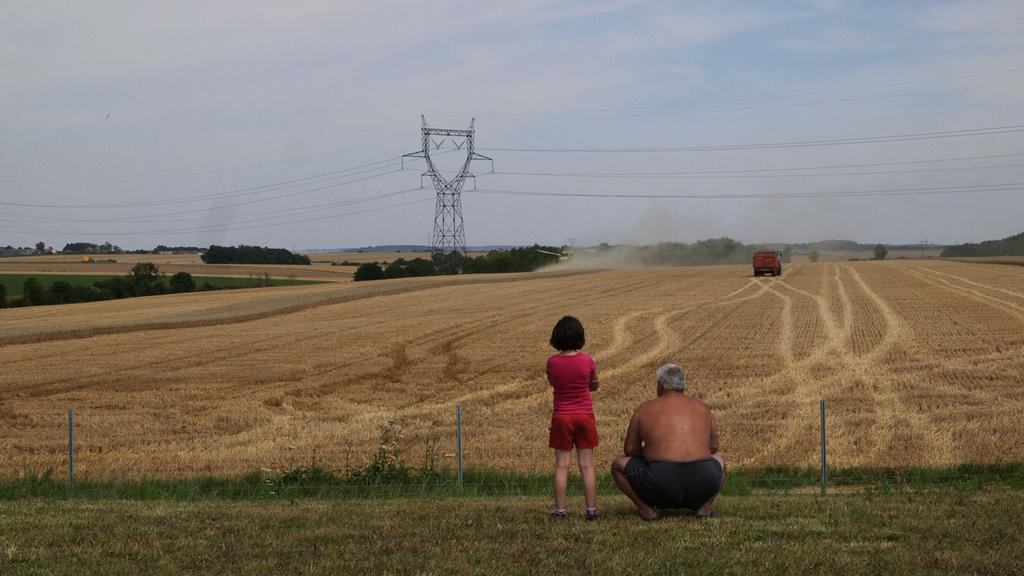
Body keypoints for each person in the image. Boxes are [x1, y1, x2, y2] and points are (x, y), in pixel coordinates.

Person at [611, 363, 724, 520]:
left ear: (660, 384)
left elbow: (630, 450)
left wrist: (651, 451)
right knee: (720, 460)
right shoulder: (703, 408)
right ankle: (705, 509)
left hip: (659, 483)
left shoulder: (644, 409)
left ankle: (646, 510)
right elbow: (713, 447)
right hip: (702, 480)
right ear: (682, 384)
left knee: (618, 463)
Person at [546, 315, 600, 520]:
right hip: (584, 415)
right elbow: (593, 384)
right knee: (586, 464)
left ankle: (560, 510)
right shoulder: (588, 361)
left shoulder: (552, 363)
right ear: (580, 336)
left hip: (561, 416)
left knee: (561, 465)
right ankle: (591, 510)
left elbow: (554, 383)